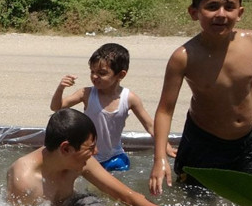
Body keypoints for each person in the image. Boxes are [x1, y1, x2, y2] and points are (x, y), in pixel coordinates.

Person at [149, 0, 252, 195]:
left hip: (250, 140)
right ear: (194, 12)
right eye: (212, 7)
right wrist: (159, 159)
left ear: (240, 12)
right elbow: (165, 110)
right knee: (197, 204)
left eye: (229, 7)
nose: (221, 14)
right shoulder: (184, 57)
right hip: (204, 142)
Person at [7, 109, 209, 206]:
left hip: (76, 205)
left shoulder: (79, 161)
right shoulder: (25, 181)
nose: (95, 152)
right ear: (66, 148)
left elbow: (126, 195)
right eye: (90, 147)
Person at [50, 42, 174, 172]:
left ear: (121, 75)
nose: (94, 77)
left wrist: (165, 145)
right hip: (89, 156)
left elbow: (150, 125)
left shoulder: (129, 98)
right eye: (92, 71)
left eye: (102, 73)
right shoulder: (86, 94)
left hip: (115, 156)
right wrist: (61, 88)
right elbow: (56, 107)